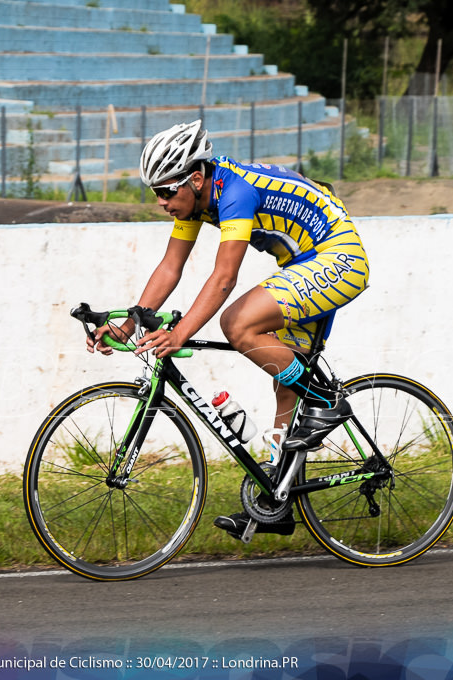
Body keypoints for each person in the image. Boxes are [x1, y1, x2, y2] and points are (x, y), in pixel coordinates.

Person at [86, 120, 370, 540]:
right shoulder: (197, 199)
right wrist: (130, 323)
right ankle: (279, 500)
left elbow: (223, 278)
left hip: (338, 256)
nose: (162, 201)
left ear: (195, 178)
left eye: (166, 191)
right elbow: (171, 266)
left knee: (237, 323)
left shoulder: (233, 191)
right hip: (302, 263)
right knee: (286, 380)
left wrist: (179, 333)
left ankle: (327, 403)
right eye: (156, 193)